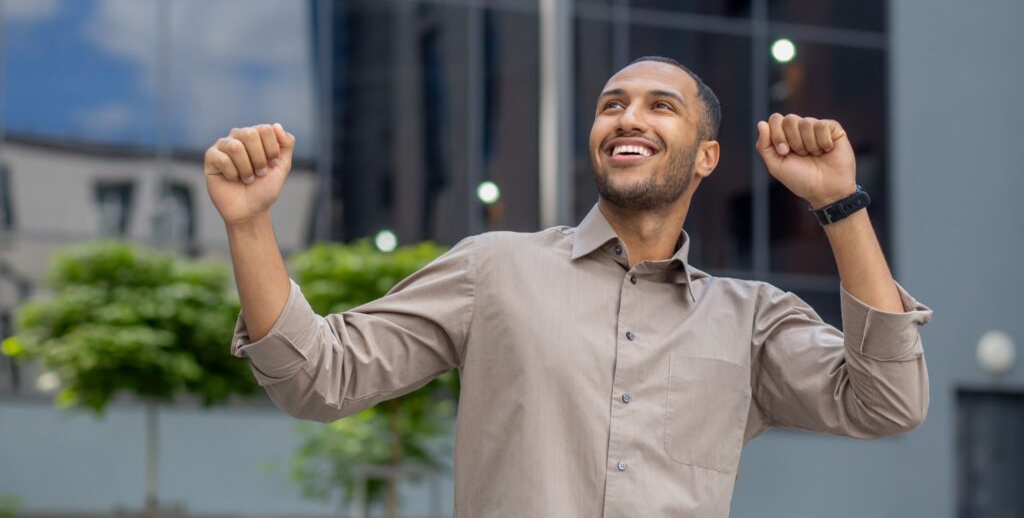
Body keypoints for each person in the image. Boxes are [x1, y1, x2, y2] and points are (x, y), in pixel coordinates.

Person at [204, 56, 932, 517]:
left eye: (659, 105)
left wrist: (839, 206)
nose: (629, 117)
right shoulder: (493, 269)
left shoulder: (751, 318)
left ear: (708, 156)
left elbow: (888, 401)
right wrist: (250, 225)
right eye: (612, 103)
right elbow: (319, 378)